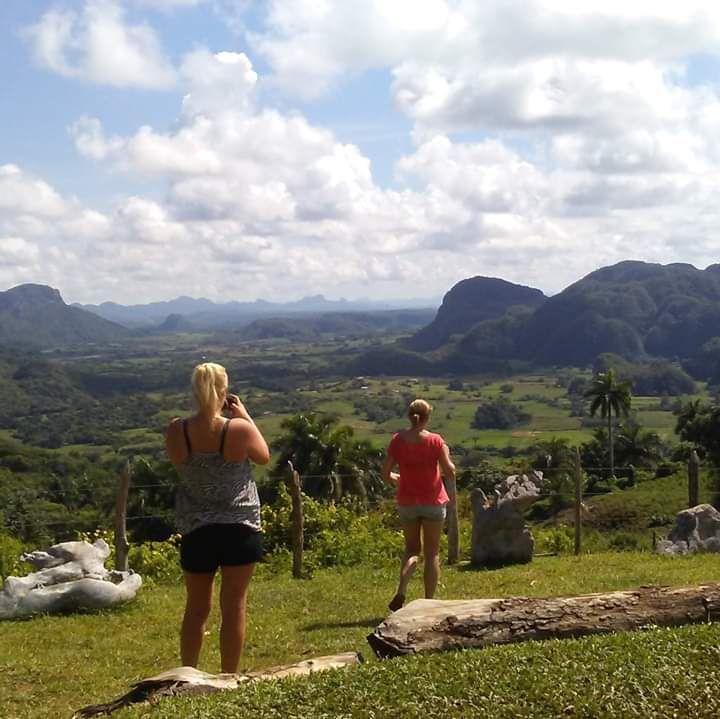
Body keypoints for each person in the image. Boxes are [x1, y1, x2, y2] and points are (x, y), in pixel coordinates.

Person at [165, 362, 270, 672]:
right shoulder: (237, 429)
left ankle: (187, 673)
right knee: (234, 606)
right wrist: (244, 415)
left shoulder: (176, 429)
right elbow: (263, 457)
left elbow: (179, 463)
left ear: (194, 391)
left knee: (196, 609)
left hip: (197, 528)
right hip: (240, 526)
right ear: (224, 392)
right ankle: (228, 676)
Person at [381, 398, 456, 612]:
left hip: (407, 502)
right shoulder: (435, 441)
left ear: (409, 416)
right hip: (433, 501)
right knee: (432, 553)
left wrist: (398, 478)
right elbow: (450, 471)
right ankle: (429, 601)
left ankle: (402, 588)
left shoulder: (398, 440)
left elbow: (385, 473)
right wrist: (447, 454)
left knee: (412, 549)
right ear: (427, 417)